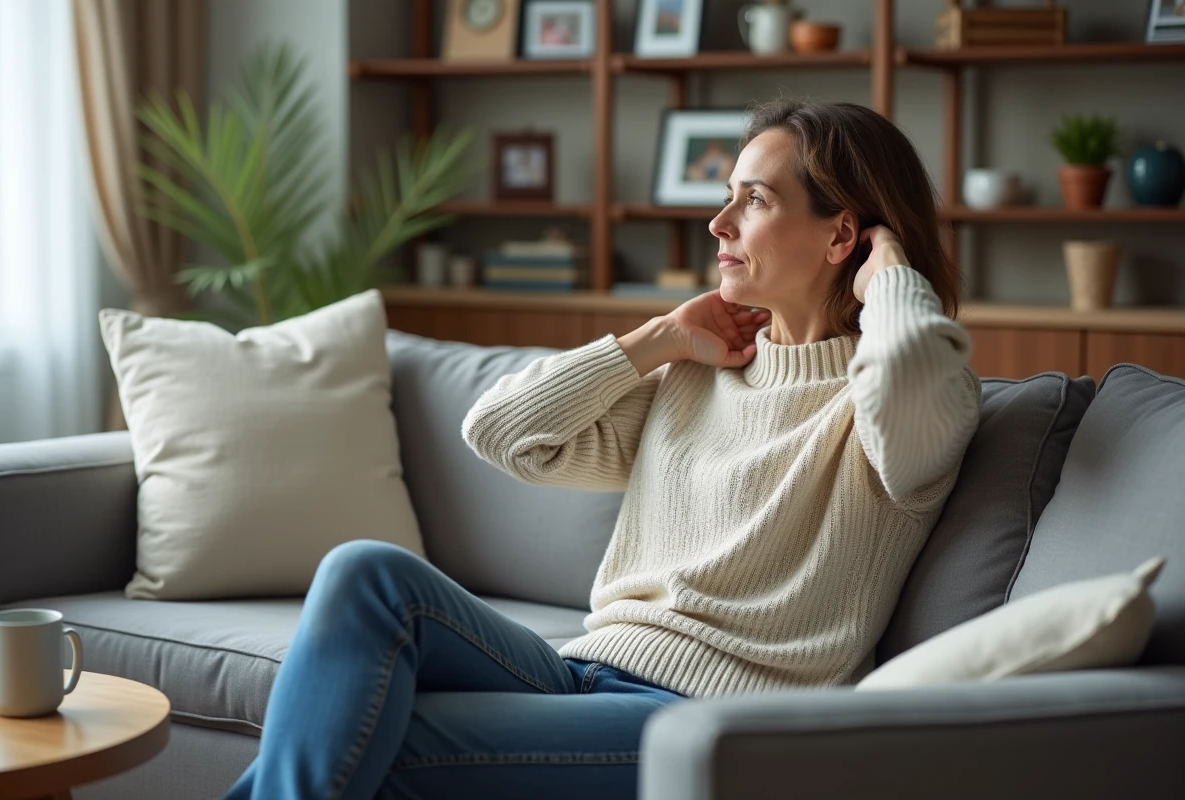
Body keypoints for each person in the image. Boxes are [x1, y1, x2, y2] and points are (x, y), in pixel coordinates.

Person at [223, 99, 981, 800]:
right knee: (364, 573)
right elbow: (501, 433)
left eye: (753, 200)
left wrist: (891, 277)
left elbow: (909, 376)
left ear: (843, 237)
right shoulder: (699, 374)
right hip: (579, 673)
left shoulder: (890, 405)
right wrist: (656, 339)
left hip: (706, 719)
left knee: (374, 739)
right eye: (727, 196)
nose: (718, 223)